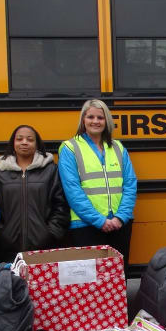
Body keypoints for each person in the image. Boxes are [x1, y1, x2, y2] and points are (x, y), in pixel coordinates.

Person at [58, 99, 138, 260]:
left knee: (119, 273)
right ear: (83, 120)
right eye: (90, 117)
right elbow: (72, 190)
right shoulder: (69, 148)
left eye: (100, 118)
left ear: (106, 121)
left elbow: (130, 183)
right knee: (91, 275)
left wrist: (121, 217)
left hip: (119, 224)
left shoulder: (118, 147)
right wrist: (99, 220)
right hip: (85, 225)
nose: (95, 121)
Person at [0, 125, 69, 264]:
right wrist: (2, 235)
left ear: (37, 144)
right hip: (7, 249)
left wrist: (50, 234)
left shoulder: (51, 170)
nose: (24, 142)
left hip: (44, 248)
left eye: (30, 139)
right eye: (19, 139)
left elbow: (61, 205)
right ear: (13, 143)